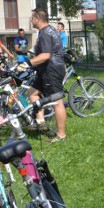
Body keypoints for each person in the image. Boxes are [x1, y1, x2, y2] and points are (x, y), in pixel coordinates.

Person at [26, 9, 67, 142]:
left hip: (51, 69)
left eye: (32, 18)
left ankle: (61, 135)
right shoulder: (51, 30)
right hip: (46, 69)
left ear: (37, 18)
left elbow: (45, 55)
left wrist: (27, 63)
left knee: (57, 101)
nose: (31, 20)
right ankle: (41, 122)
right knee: (32, 93)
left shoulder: (45, 33)